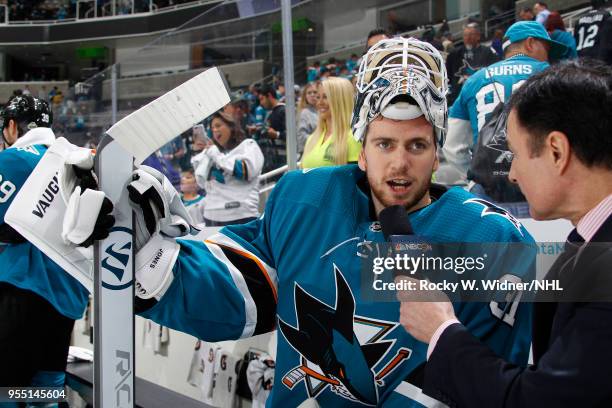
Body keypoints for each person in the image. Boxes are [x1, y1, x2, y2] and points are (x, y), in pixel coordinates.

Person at [57, 37, 535, 407]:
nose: (399, 166)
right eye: (385, 144)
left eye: (416, 146)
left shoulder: (488, 240)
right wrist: (150, 261)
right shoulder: (306, 197)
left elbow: (492, 387)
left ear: (437, 154)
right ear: (361, 149)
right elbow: (246, 291)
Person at [398, 59, 612, 408]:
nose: (511, 174)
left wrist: (440, 330)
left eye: (514, 154)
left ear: (557, 151)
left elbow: (541, 400)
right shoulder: (586, 245)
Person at [0, 95, 89, 391]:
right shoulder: (77, 160)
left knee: (7, 389)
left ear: (12, 127)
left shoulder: (11, 160)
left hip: (24, 291)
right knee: (46, 388)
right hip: (70, 296)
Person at [437, 21, 566, 216]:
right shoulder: (554, 75)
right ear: (530, 43)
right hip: (541, 186)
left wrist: (474, 174)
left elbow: (452, 144)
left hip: (487, 190)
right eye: (547, 48)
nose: (548, 56)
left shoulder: (475, 79)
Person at [193, 111, 264, 226]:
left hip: (241, 217)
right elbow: (201, 183)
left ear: (231, 127)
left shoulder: (248, 145)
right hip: (211, 217)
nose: (215, 130)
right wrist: (201, 154)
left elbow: (245, 171)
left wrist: (216, 156)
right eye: (212, 128)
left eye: (218, 125)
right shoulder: (215, 153)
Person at [301, 77, 361, 168]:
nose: (319, 102)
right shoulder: (312, 139)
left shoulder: (354, 137)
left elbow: (354, 179)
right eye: (318, 97)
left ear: (340, 100)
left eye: (325, 97)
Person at [445, 22, 499, 105]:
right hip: (459, 96)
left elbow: (496, 70)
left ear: (478, 36)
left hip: (481, 95)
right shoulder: (454, 54)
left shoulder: (488, 52)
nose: (468, 37)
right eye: (465, 35)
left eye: (471, 34)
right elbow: (447, 75)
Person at [257, 84, 286, 172]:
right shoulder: (270, 113)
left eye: (262, 99)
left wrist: (276, 134)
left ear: (269, 96)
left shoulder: (284, 110)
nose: (261, 103)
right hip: (272, 159)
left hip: (283, 159)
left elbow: (292, 135)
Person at [573, 0, 612, 64]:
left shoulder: (579, 20)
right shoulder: (606, 16)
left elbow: (575, 41)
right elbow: (606, 41)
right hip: (596, 57)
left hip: (580, 58)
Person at [296, 82, 319, 156]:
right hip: (310, 153)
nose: (312, 95)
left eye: (315, 92)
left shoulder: (324, 110)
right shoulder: (304, 113)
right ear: (305, 96)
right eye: (309, 93)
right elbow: (302, 136)